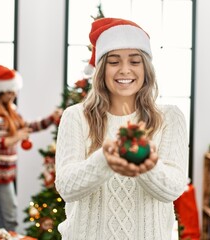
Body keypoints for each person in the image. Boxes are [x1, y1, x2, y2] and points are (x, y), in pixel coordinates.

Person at [55, 18, 189, 240]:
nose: (125, 70)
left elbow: (172, 190)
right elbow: (66, 187)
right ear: (101, 69)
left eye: (135, 62)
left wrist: (145, 163)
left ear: (146, 68)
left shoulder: (170, 118)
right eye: (114, 62)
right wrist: (105, 160)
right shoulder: (76, 117)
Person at [0, 65, 61, 240]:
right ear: (1, 91)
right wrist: (11, 139)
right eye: (10, 92)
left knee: (10, 221)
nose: (14, 95)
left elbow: (28, 127)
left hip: (4, 174)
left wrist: (50, 119)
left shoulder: (10, 109)